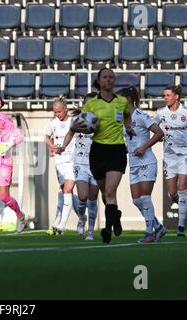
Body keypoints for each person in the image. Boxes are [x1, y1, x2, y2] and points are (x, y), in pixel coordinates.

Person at [70, 68, 132, 244]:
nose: (109, 80)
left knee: (111, 191)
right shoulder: (91, 104)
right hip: (98, 151)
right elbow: (79, 124)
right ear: (99, 81)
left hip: (117, 150)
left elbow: (127, 116)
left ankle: (107, 230)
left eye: (111, 77)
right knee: (105, 194)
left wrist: (128, 127)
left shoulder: (121, 101)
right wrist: (77, 127)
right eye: (105, 77)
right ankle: (116, 216)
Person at [117, 86, 167, 243]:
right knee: (136, 200)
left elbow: (159, 133)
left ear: (129, 100)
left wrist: (144, 147)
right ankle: (158, 227)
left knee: (145, 198)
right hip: (133, 163)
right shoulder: (121, 118)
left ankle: (149, 233)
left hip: (147, 161)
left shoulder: (141, 115)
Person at [154, 85, 187, 237]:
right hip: (169, 156)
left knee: (182, 188)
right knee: (172, 192)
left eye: (168, 95)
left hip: (185, 154)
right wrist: (158, 135)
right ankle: (177, 199)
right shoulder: (161, 113)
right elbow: (153, 126)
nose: (165, 98)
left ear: (176, 97)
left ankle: (181, 226)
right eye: (165, 95)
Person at [0, 93, 26, 233]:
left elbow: (20, 135)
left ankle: (20, 215)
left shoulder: (4, 119)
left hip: (3, 164)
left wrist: (8, 144)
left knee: (3, 196)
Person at [59, 93, 99, 240]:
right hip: (80, 163)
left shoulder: (100, 120)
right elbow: (70, 134)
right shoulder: (77, 120)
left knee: (93, 198)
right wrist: (63, 146)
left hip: (96, 163)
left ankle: (91, 232)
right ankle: (82, 217)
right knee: (82, 196)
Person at [45, 96, 76, 235]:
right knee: (64, 191)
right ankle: (81, 217)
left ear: (65, 109)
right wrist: (52, 147)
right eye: (55, 112)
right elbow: (46, 137)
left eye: (59, 112)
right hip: (60, 161)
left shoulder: (73, 122)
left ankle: (62, 224)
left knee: (68, 188)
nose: (57, 114)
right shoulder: (53, 123)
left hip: (73, 159)